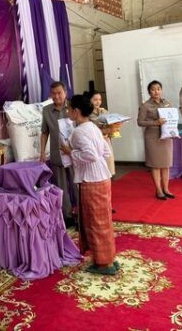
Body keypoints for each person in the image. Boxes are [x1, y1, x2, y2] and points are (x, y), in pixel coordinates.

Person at [60, 95, 118, 275]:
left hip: (92, 181)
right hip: (102, 177)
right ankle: (109, 258)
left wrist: (70, 152)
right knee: (104, 220)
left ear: (76, 111)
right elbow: (106, 151)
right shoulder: (93, 127)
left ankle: (104, 263)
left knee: (95, 222)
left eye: (69, 109)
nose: (68, 111)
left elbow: (91, 155)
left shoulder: (78, 132)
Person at [40, 81, 76, 226]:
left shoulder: (73, 108)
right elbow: (44, 132)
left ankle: (81, 214)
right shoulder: (47, 110)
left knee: (77, 185)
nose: (56, 96)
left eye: (59, 93)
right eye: (53, 93)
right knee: (61, 187)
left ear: (65, 93)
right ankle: (67, 216)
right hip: (57, 154)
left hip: (74, 153)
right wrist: (42, 152)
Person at [137, 80, 174, 200]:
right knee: (156, 165)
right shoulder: (145, 105)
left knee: (166, 164)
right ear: (149, 92)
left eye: (158, 89)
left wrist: (173, 130)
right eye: (153, 89)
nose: (156, 91)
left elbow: (172, 118)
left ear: (161, 90)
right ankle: (158, 190)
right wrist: (155, 122)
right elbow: (140, 122)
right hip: (152, 137)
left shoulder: (167, 103)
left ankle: (166, 189)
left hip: (166, 136)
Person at [87, 91, 116, 177]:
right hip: (94, 142)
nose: (98, 102)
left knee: (108, 164)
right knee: (98, 167)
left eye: (100, 100)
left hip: (105, 140)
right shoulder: (87, 113)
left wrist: (114, 127)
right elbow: (88, 130)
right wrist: (104, 130)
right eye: (95, 99)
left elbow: (111, 122)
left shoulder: (104, 111)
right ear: (90, 100)